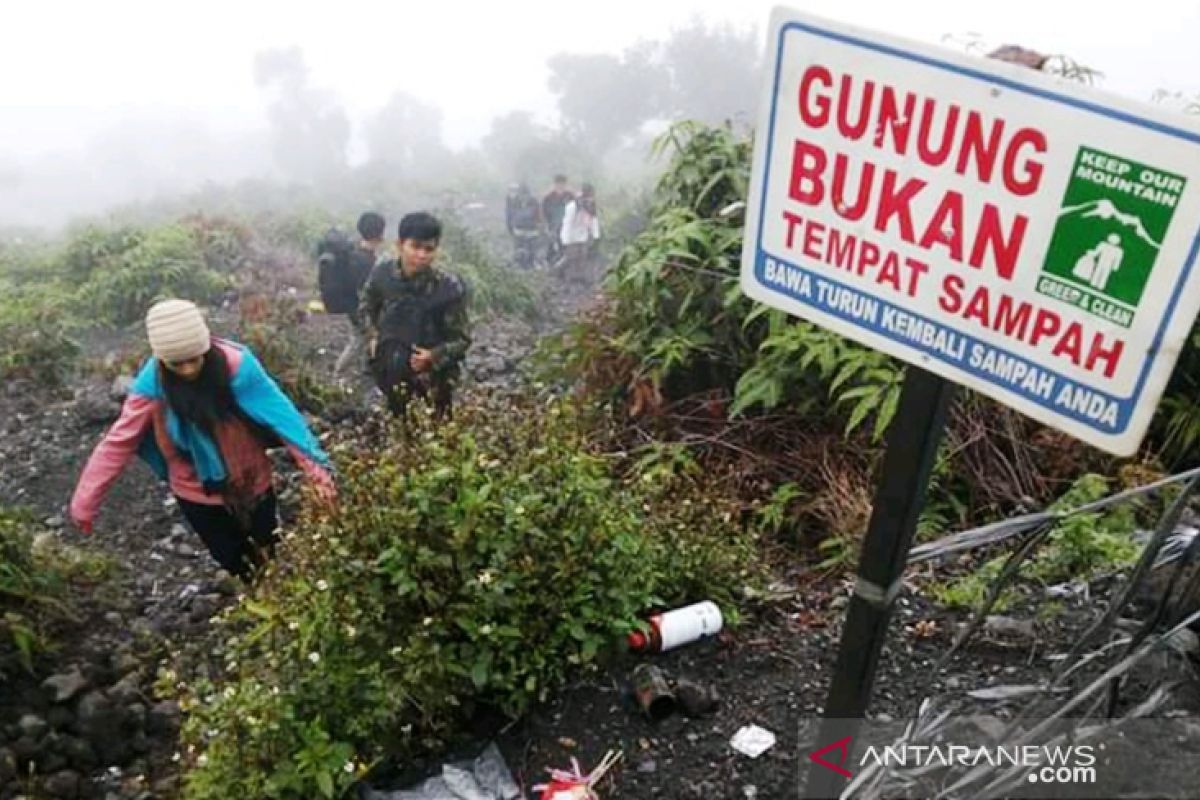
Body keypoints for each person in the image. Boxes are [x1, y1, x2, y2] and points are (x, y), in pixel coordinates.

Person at [69, 299, 336, 580]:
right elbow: (119, 442)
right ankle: (259, 591)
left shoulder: (238, 367)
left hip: (251, 474)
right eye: (176, 363)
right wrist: (85, 502)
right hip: (193, 486)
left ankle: (279, 593)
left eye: (194, 359)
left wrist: (319, 477)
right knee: (232, 558)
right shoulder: (152, 386)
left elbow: (284, 419)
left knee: (268, 545)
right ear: (161, 359)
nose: (187, 369)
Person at [359, 212, 471, 418]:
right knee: (396, 424)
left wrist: (433, 356)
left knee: (436, 432)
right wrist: (372, 335)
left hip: (433, 379)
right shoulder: (382, 275)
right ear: (400, 245)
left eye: (429, 249)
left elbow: (461, 340)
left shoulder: (447, 288)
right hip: (389, 369)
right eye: (415, 247)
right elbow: (366, 306)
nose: (421, 255)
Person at [332, 212, 386, 378]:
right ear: (379, 235)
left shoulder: (355, 252)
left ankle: (368, 368)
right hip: (359, 309)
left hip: (353, 306)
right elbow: (366, 291)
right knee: (358, 340)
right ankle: (338, 373)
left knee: (367, 337)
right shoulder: (365, 261)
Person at [558, 182, 600, 282]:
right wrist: (565, 240)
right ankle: (564, 274)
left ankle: (580, 277)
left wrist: (596, 235)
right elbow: (567, 223)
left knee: (582, 257)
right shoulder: (573, 206)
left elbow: (593, 220)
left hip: (583, 235)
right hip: (572, 236)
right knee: (571, 258)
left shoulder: (591, 205)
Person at [505, 183, 541, 269]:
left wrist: (539, 227)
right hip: (519, 229)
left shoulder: (534, 201)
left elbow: (538, 216)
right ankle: (520, 264)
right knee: (519, 249)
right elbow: (509, 215)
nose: (524, 197)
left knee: (532, 250)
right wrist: (510, 227)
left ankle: (531, 263)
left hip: (531, 230)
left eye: (526, 195)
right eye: (522, 195)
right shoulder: (513, 202)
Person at [541, 174, 574, 265]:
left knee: (567, 250)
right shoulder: (548, 198)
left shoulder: (570, 196)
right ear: (554, 185)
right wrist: (547, 227)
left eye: (562, 184)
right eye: (558, 184)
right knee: (552, 249)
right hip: (553, 228)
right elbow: (544, 214)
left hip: (567, 228)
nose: (560, 187)